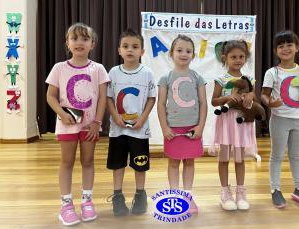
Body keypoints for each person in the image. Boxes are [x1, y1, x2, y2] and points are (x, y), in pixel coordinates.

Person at [46, 23, 110, 225]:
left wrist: (97, 122)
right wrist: (62, 115)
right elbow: (51, 96)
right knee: (67, 162)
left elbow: (102, 98)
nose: (79, 42)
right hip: (67, 125)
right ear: (67, 42)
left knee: (88, 161)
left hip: (90, 125)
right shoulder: (59, 68)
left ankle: (87, 201)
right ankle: (66, 204)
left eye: (84, 39)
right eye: (74, 38)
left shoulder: (98, 69)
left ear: (93, 44)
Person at [261, 30, 299, 209]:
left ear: (297, 47)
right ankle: (275, 190)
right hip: (279, 120)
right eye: (281, 46)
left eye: (289, 45)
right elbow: (264, 96)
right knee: (277, 156)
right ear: (276, 51)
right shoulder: (272, 72)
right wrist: (271, 103)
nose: (285, 49)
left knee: (296, 156)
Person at [106, 29, 156, 216]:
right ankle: (118, 196)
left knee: (139, 164)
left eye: (135, 47)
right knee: (118, 164)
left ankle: (140, 195)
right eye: (126, 46)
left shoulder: (147, 73)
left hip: (139, 131)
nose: (130, 50)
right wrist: (115, 116)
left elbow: (152, 98)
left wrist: (142, 119)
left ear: (142, 51)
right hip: (117, 130)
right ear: (119, 50)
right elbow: (109, 98)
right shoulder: (113, 72)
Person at [157, 34, 207, 214]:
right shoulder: (166, 78)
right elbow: (161, 104)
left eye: (188, 51)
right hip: (173, 129)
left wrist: (200, 126)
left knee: (189, 163)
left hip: (192, 129)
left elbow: (203, 103)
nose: (184, 54)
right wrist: (165, 128)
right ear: (171, 53)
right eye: (179, 50)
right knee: (173, 163)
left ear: (193, 55)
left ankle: (187, 195)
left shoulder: (198, 77)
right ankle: (174, 195)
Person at [211, 40, 257, 211]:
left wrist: (251, 97)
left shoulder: (249, 79)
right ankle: (225, 192)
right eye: (233, 57)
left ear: (245, 58)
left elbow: (254, 99)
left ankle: (240, 192)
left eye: (241, 56)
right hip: (225, 122)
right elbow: (214, 101)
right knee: (224, 158)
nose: (238, 60)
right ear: (225, 58)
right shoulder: (221, 79)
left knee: (240, 158)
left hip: (241, 122)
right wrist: (227, 99)